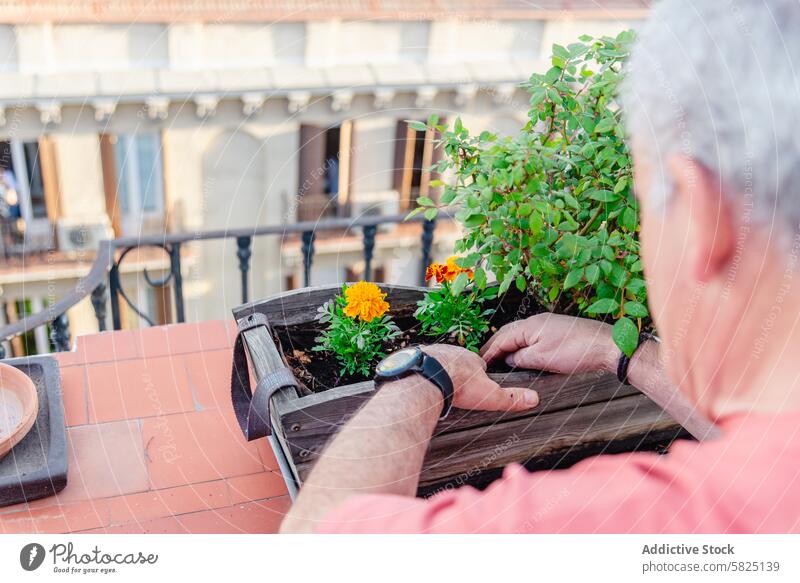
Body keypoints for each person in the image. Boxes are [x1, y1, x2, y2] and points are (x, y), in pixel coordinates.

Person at [281, 0, 800, 533]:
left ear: (701, 221)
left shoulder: (632, 526)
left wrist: (424, 376)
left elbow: (311, 538)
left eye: (646, 204)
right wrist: (616, 351)